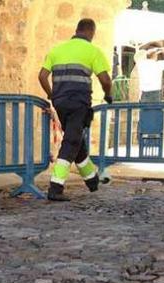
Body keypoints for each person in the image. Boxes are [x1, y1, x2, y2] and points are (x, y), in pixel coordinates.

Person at [38, 18, 113, 202]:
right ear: (91, 33)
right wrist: (108, 95)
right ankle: (56, 187)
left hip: (60, 102)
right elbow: (105, 80)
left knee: (76, 140)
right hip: (79, 103)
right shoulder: (93, 51)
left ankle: (92, 180)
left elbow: (42, 76)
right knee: (71, 141)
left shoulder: (57, 50)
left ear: (77, 30)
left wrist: (52, 95)